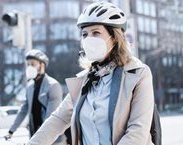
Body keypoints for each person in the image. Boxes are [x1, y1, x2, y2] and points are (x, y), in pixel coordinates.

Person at [28, 1, 155, 145]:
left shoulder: (138, 73)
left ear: (114, 38)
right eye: (84, 34)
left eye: (96, 32)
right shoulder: (84, 80)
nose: (88, 39)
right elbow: (59, 119)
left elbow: (138, 130)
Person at [7, 49, 67, 145]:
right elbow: (24, 109)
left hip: (52, 140)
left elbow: (52, 119)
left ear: (42, 65)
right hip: (34, 136)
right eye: (28, 64)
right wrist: (11, 130)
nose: (29, 67)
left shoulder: (53, 85)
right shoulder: (30, 86)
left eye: (33, 64)